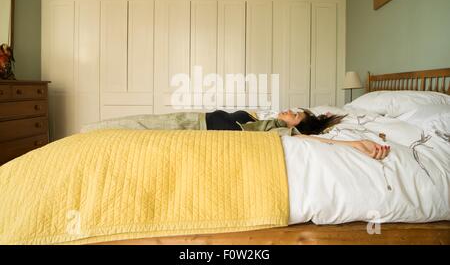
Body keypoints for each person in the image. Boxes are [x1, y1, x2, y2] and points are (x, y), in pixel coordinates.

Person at [81, 109, 390, 160]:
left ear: (298, 125)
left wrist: (354, 143)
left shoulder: (288, 133)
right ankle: (87, 133)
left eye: (295, 114)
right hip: (194, 119)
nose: (288, 111)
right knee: (136, 122)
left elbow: (312, 141)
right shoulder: (267, 120)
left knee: (136, 128)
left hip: (194, 128)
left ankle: (87, 135)